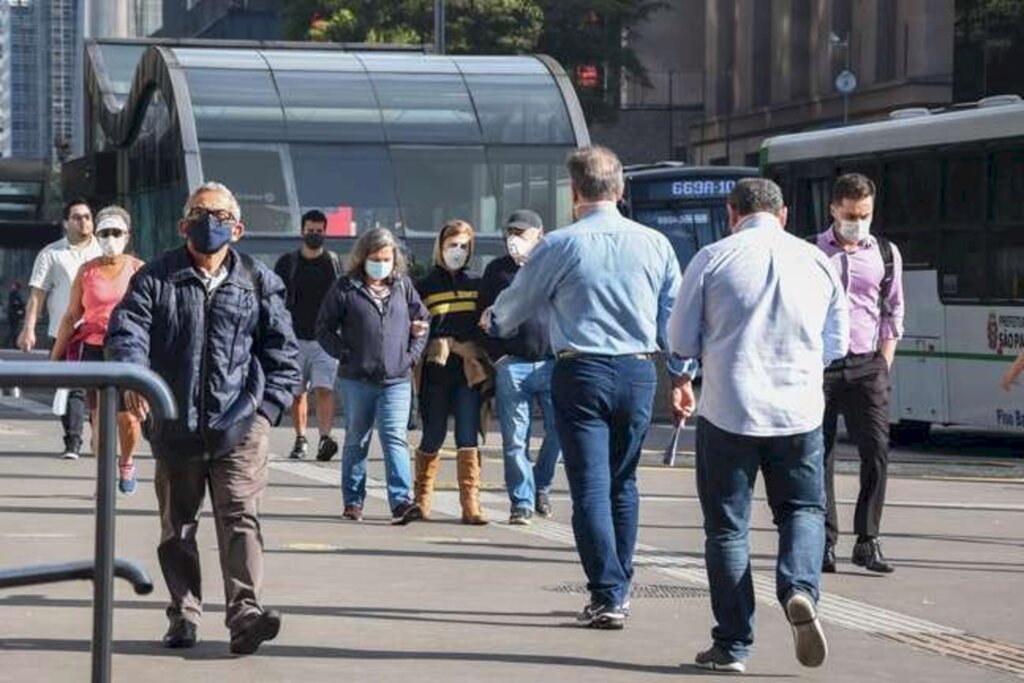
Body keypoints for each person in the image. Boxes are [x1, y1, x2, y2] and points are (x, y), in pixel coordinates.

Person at [485, 146, 691, 629]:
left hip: (581, 371)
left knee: (590, 488)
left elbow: (516, 305)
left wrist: (493, 319)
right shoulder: (655, 243)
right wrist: (682, 374)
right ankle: (621, 583)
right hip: (640, 372)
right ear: (620, 190)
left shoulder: (560, 244)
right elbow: (674, 317)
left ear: (574, 192)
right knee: (624, 482)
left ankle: (607, 593)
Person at [106, 181, 300, 655]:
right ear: (182, 224)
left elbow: (284, 353)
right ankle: (184, 614)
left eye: (217, 214)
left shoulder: (256, 280)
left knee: (240, 518)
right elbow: (126, 332)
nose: (207, 222)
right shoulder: (155, 277)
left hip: (239, 425)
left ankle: (245, 616)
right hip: (175, 425)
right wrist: (136, 379)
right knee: (179, 527)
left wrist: (266, 413)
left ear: (237, 227)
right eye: (198, 213)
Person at [669, 178, 848, 673]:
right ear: (784, 215)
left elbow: (680, 340)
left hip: (731, 409)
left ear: (732, 213)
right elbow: (837, 343)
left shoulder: (712, 258)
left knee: (727, 530)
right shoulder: (818, 261)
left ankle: (732, 645)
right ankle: (798, 589)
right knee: (803, 510)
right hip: (799, 412)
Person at [816, 173, 904, 575]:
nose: (857, 221)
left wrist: (884, 359)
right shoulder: (811, 252)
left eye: (864, 214)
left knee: (877, 452)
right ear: (834, 208)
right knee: (820, 455)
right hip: (821, 366)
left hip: (868, 363)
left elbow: (893, 308)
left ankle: (868, 540)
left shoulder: (885, 253)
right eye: (850, 214)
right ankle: (824, 542)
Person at [316, 228, 430, 524]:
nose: (381, 264)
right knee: (357, 439)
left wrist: (412, 354)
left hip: (396, 378)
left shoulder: (403, 286)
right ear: (363, 257)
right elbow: (323, 328)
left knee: (395, 437)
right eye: (375, 258)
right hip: (356, 379)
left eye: (387, 258)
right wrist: (343, 353)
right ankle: (353, 501)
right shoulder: (345, 287)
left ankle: (401, 501)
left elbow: (423, 320)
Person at [49, 206, 144, 495]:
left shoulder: (139, 269)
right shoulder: (87, 271)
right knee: (101, 422)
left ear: (127, 235)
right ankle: (104, 478)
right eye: (105, 232)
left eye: (117, 232)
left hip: (128, 351)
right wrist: (55, 358)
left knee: (128, 419)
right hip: (93, 349)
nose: (111, 238)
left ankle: (126, 462)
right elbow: (70, 316)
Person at [479, 209, 560, 525]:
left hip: (552, 363)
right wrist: (498, 358)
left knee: (559, 432)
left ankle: (541, 484)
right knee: (515, 439)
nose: (514, 240)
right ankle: (522, 501)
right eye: (510, 233)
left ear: (539, 235)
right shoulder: (496, 271)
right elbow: (482, 318)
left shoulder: (553, 266)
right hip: (512, 364)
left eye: (522, 233)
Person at [413, 219, 490, 525]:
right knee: (433, 433)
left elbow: (485, 325)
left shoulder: (477, 284)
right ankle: (421, 499)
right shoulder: (426, 285)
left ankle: (471, 504)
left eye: (463, 246)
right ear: (440, 247)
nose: (456, 251)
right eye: (451, 245)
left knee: (467, 435)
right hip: (436, 371)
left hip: (468, 372)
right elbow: (417, 327)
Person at [20, 198, 101, 459]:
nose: (84, 221)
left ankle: (99, 437)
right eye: (77, 217)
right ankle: (73, 441)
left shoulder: (104, 253)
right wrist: (29, 328)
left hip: (100, 333)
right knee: (70, 387)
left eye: (87, 217)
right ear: (67, 222)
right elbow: (37, 295)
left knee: (101, 390)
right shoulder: (51, 253)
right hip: (63, 333)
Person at [274, 209, 342, 461]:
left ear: (325, 232)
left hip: (325, 338)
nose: (314, 235)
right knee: (298, 392)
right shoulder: (288, 263)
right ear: (302, 231)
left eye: (319, 231)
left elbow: (341, 297)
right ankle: (300, 438)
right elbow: (276, 299)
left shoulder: (332, 263)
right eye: (310, 230)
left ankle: (325, 437)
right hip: (294, 338)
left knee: (325, 389)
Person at [5, 281, 26, 348]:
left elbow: (17, 303)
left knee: (14, 329)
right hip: (14, 314)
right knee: (14, 330)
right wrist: (22, 307)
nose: (12, 286)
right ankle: (9, 343)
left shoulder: (13, 293)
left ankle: (13, 344)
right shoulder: (15, 294)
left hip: (12, 314)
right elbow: (18, 303)